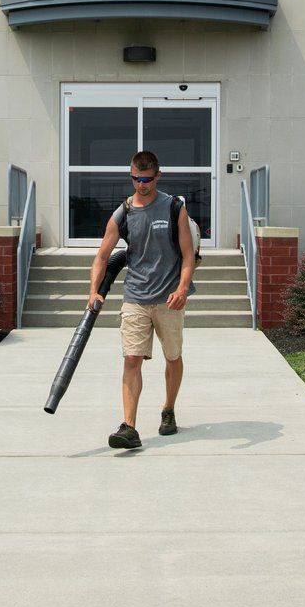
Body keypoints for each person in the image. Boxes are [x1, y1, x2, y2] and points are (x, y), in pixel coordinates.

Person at [87, 150, 196, 449]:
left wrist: (183, 287)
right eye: (136, 178)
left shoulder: (174, 207)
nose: (142, 184)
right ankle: (129, 427)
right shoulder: (123, 212)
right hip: (135, 296)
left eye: (147, 179)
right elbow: (102, 255)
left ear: (158, 176)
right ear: (131, 175)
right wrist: (94, 289)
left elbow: (188, 255)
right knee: (132, 359)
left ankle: (168, 409)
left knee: (173, 356)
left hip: (168, 297)